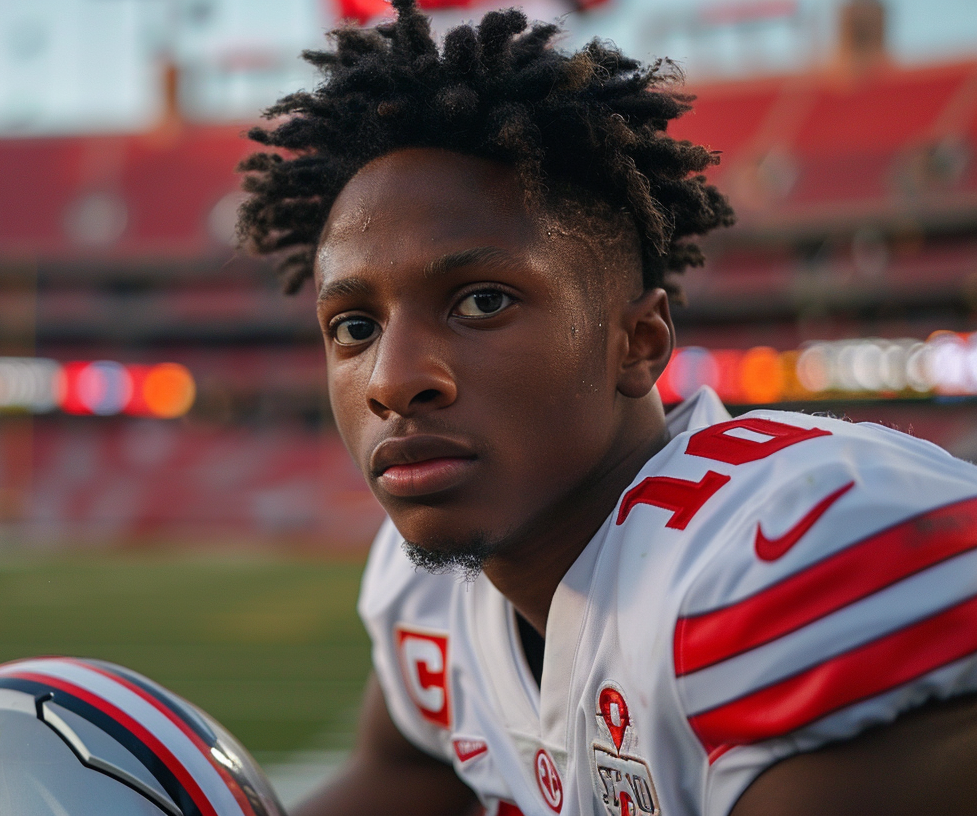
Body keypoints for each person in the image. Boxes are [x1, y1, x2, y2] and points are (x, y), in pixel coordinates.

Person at [235, 2, 977, 814]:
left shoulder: (772, 559)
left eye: (482, 301)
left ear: (638, 343)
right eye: (354, 325)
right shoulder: (432, 594)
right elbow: (405, 779)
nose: (393, 378)